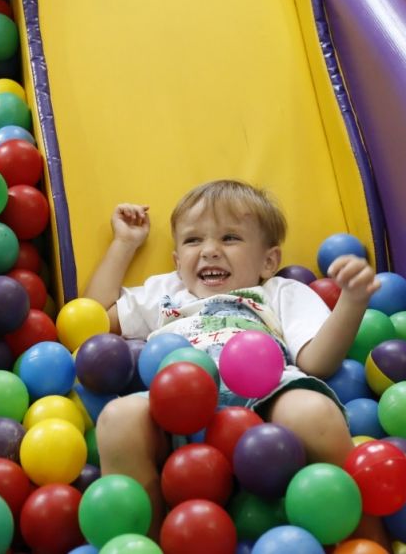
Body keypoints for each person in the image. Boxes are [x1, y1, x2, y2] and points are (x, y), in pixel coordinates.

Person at [85, 179, 388, 545]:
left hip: (267, 397)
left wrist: (352, 302)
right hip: (173, 404)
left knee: (315, 414)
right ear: (178, 262)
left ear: (269, 261)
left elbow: (316, 361)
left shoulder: (280, 291)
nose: (210, 250)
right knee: (118, 420)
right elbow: (95, 316)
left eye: (230, 238)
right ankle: (142, 541)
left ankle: (366, 541)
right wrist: (125, 244)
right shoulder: (166, 292)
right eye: (194, 240)